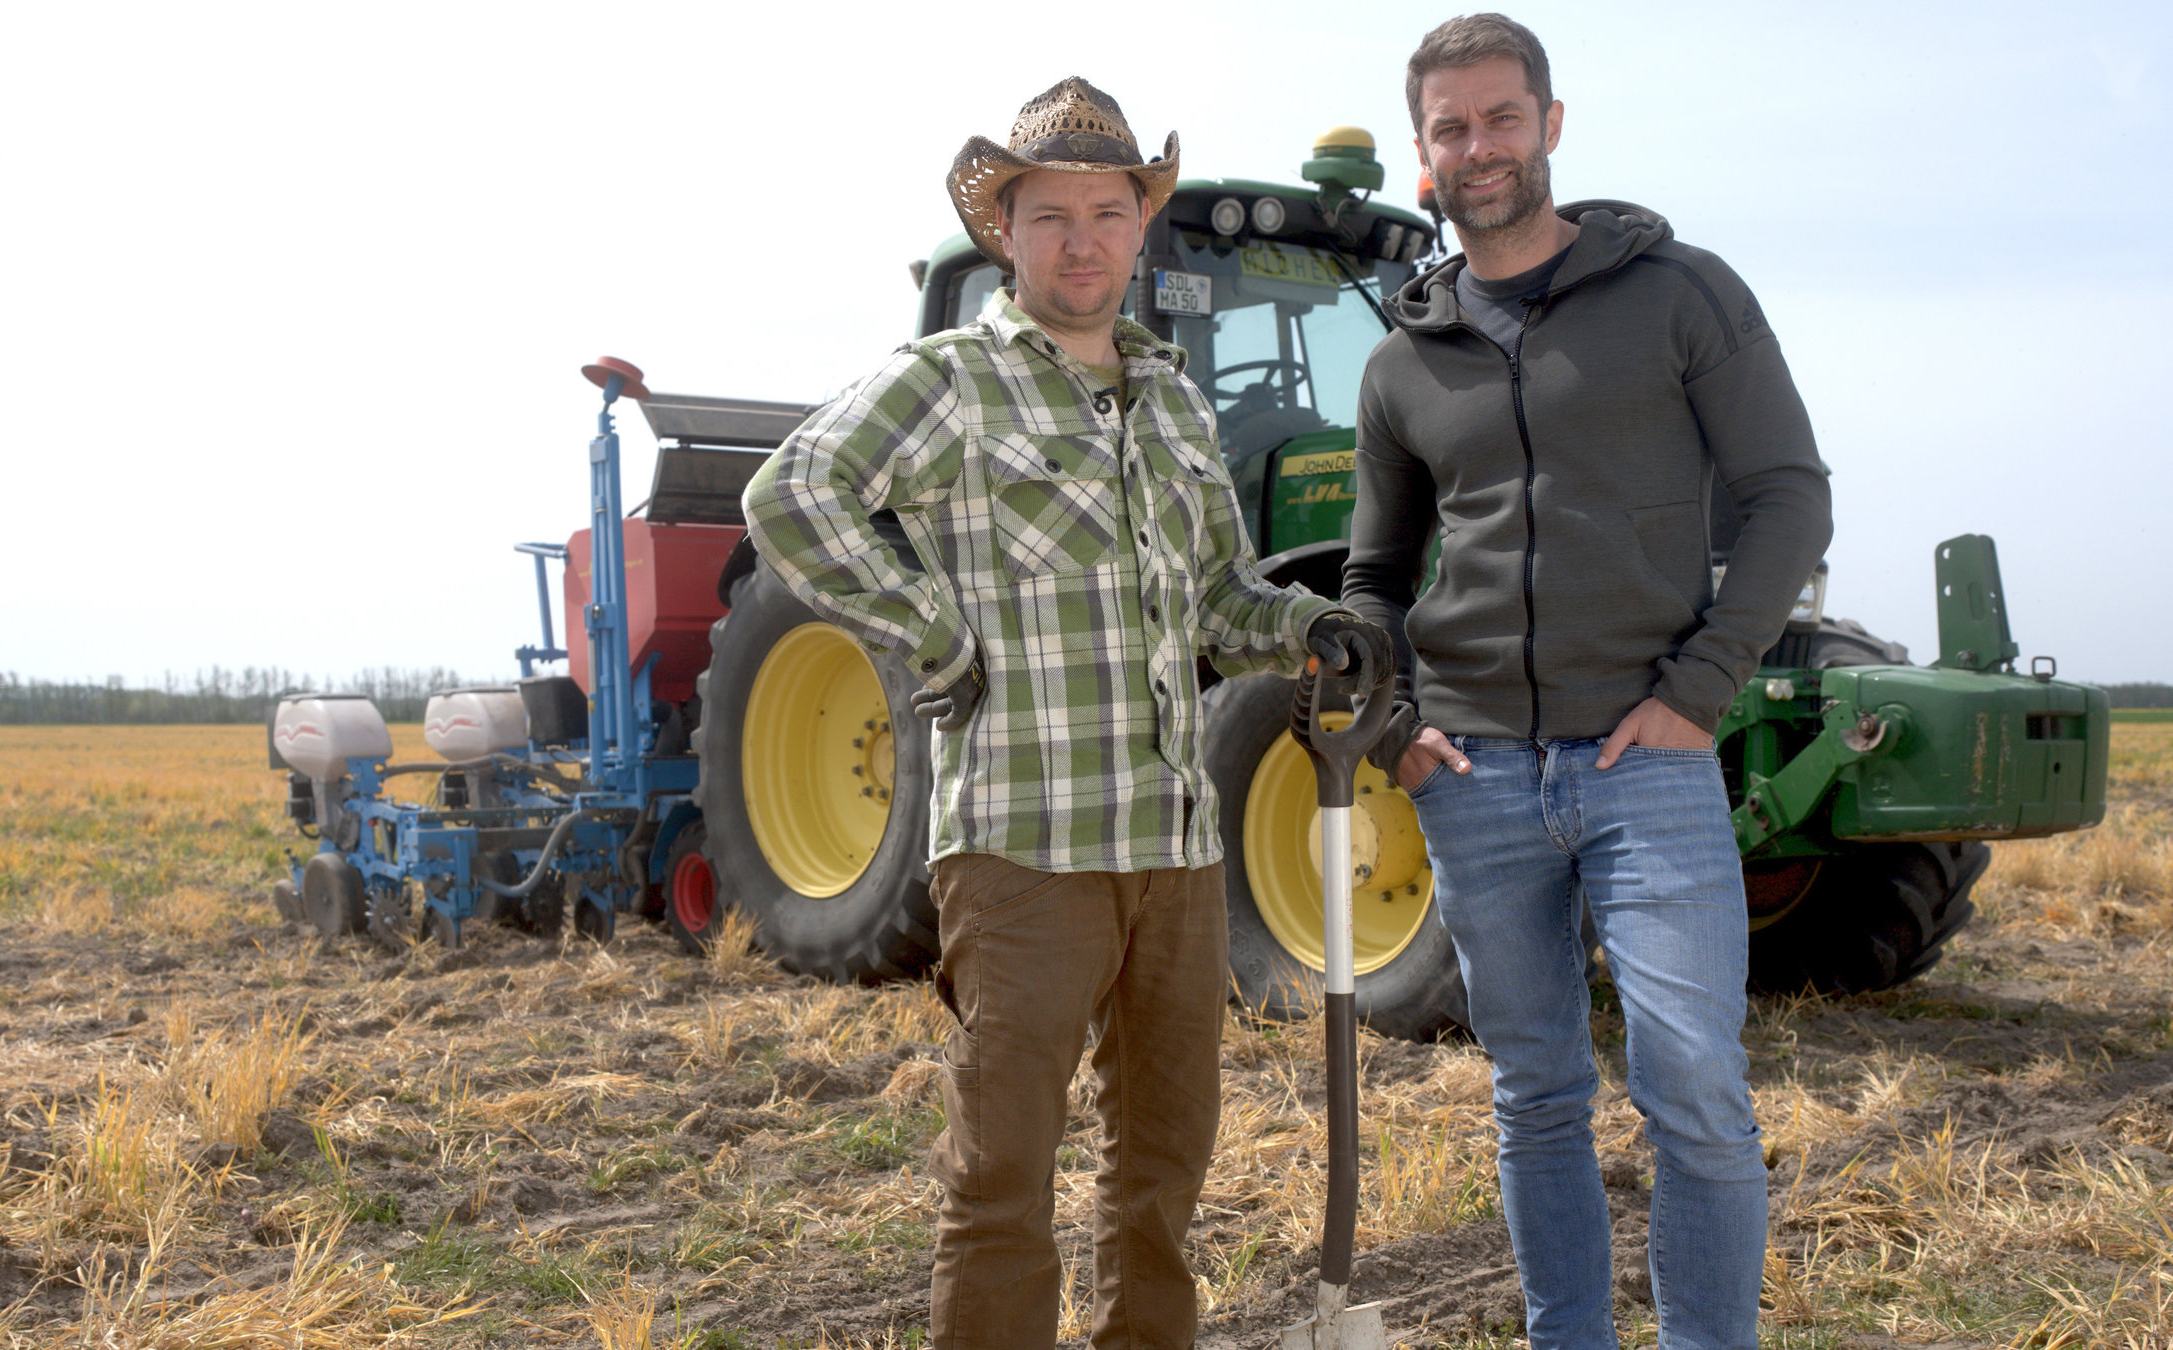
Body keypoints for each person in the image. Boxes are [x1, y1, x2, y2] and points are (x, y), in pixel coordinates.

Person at [744, 76, 1382, 1350]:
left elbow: (1216, 601)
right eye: (1051, 216)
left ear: (1140, 225)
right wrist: (931, 630)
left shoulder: (1180, 405)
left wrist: (1308, 627)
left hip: (1178, 849)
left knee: (1163, 1175)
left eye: (1107, 210)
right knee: (1001, 1181)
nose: (1082, 238)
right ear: (1007, 234)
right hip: (1025, 849)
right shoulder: (951, 384)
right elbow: (792, 495)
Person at [1342, 14, 1832, 1350]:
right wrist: (1390, 725)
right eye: (1451, 129)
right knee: (1537, 1092)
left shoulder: (1682, 295)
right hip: (1476, 777)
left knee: (1695, 1088)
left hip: (1648, 760)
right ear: (1424, 157)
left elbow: (1788, 497)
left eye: (1502, 118)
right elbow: (1373, 574)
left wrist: (1701, 687)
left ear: (1552, 125)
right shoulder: (1402, 362)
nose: (1479, 146)